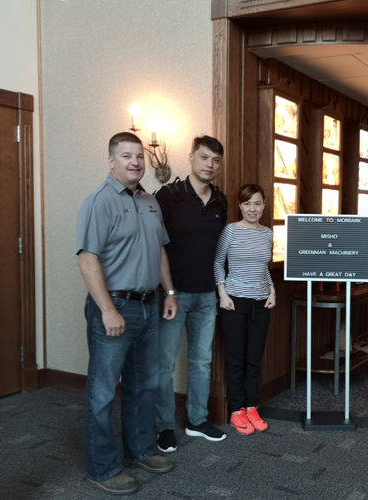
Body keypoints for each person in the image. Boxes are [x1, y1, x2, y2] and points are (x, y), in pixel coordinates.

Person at [76, 132, 178, 495]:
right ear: (111, 161)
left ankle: (140, 451)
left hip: (150, 305)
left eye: (139, 156)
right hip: (115, 308)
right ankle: (102, 469)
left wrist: (169, 292)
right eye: (126, 156)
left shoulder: (150, 202)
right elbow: (87, 259)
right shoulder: (98, 201)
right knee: (103, 392)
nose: (135, 162)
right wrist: (107, 310)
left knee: (143, 384)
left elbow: (159, 251)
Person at [154, 136, 228, 453]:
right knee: (165, 366)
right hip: (174, 296)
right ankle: (164, 427)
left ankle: (197, 420)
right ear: (191, 157)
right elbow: (155, 245)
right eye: (204, 157)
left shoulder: (221, 201)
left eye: (215, 160)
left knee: (201, 362)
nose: (210, 164)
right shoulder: (168, 195)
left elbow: (219, 250)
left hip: (207, 296)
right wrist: (168, 291)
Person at [214, 184, 276, 435]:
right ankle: (237, 410)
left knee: (254, 359)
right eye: (247, 203)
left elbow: (263, 269)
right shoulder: (231, 230)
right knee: (235, 359)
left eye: (257, 203)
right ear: (240, 206)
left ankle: (252, 406)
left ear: (264, 205)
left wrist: (272, 291)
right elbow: (218, 263)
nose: (252, 209)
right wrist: (222, 294)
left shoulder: (268, 233)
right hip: (234, 303)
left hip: (261, 304)